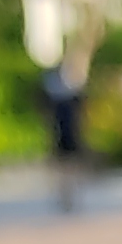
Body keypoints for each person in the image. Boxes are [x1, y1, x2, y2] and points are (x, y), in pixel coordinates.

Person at [40, 45, 90, 213]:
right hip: (62, 134)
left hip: (68, 134)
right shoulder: (60, 96)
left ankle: (69, 194)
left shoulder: (66, 94)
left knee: (68, 166)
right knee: (64, 166)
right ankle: (64, 194)